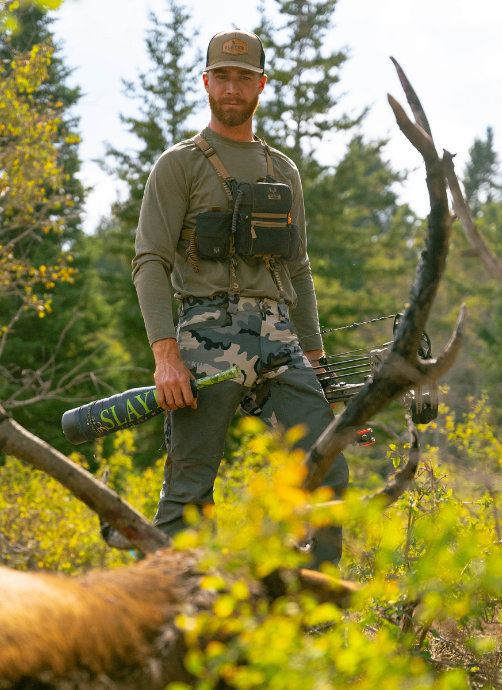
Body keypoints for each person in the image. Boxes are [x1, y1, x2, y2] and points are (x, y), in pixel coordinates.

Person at [132, 29, 348, 567]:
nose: (233, 87)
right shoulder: (178, 165)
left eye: (244, 78)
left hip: (279, 335)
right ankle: (170, 625)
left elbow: (297, 266)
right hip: (206, 335)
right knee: (189, 492)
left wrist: (316, 361)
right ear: (206, 82)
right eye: (223, 77)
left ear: (261, 85)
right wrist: (166, 355)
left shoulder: (283, 171)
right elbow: (149, 263)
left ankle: (306, 616)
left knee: (327, 467)